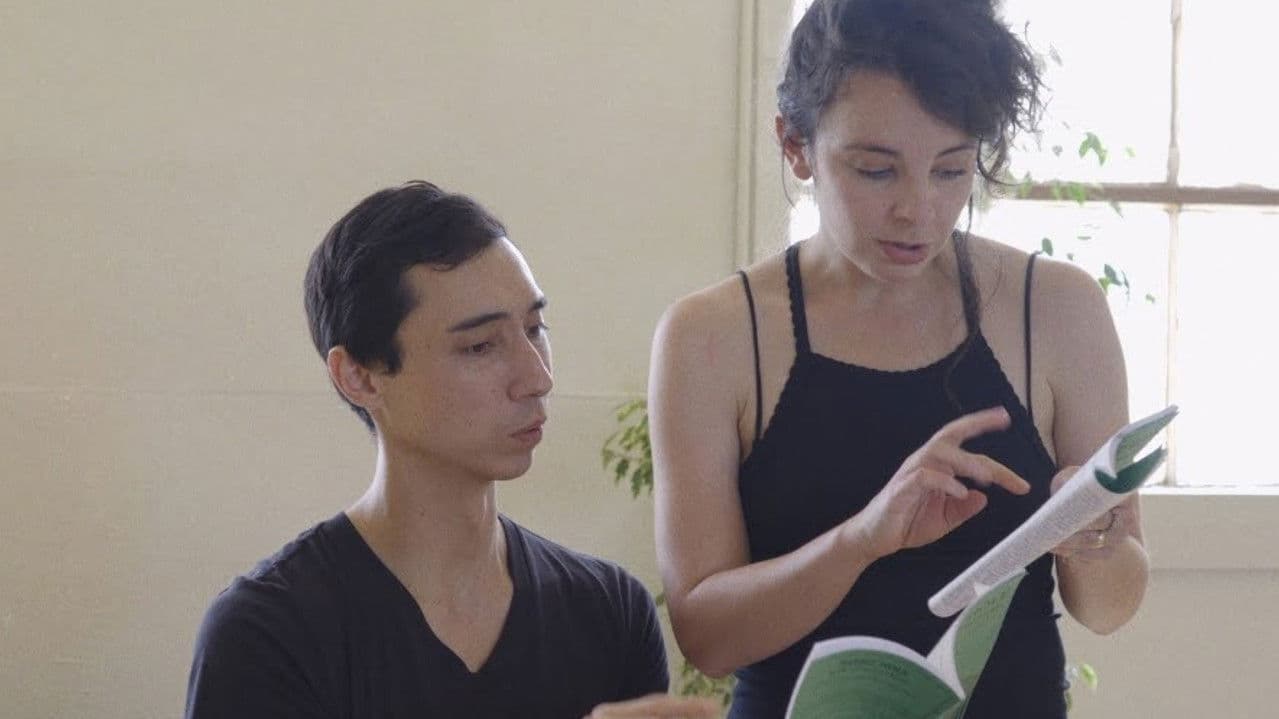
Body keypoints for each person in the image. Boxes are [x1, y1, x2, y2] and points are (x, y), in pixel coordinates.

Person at [648, 1, 1150, 716]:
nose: (918, 209)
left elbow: (1109, 607)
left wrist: (1094, 542)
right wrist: (861, 539)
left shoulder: (1057, 308)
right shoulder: (713, 336)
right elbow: (706, 637)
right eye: (876, 170)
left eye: (951, 169)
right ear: (795, 145)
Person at [185, 181, 718, 719]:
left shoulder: (608, 613)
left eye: (535, 328)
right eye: (480, 346)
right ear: (360, 377)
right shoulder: (268, 633)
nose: (538, 378)